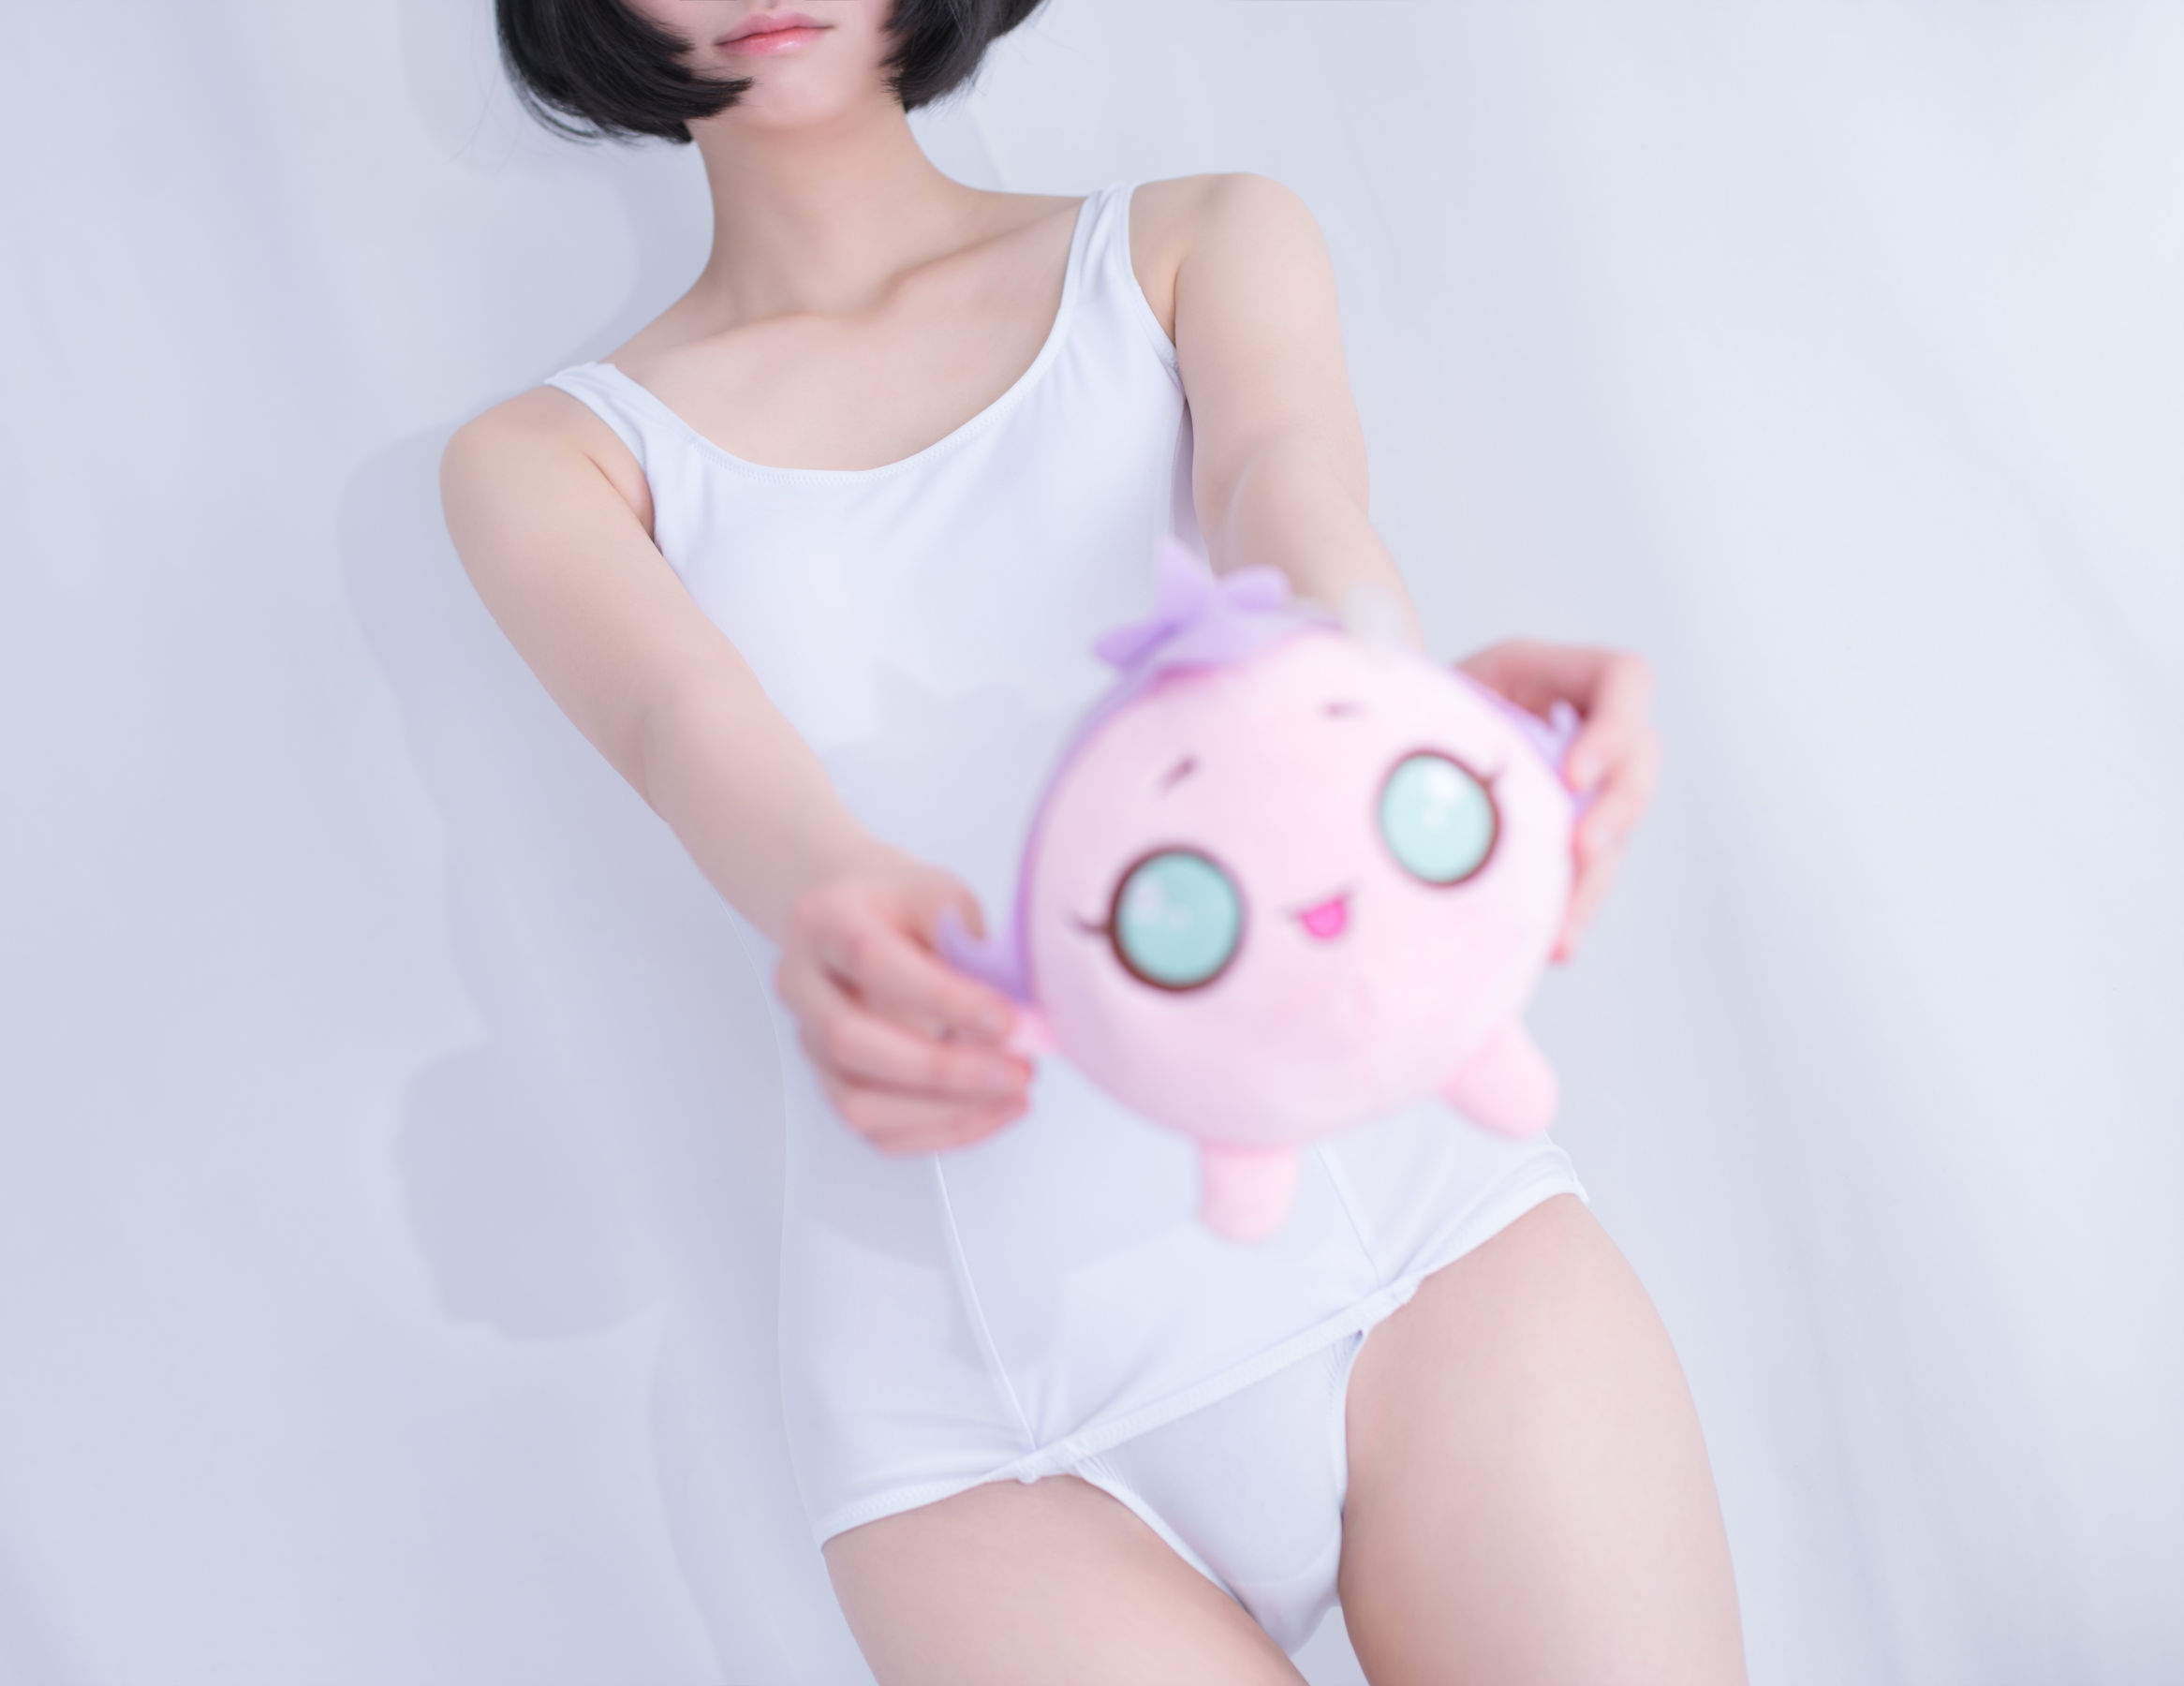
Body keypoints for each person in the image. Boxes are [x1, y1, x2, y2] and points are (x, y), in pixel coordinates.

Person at [442, 3, 1744, 1679]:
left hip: (1428, 1251)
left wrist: (1410, 726)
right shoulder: (548, 461)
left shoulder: (1199, 241)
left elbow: (1290, 502)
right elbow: (684, 734)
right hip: (985, 1440)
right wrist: (844, 907)